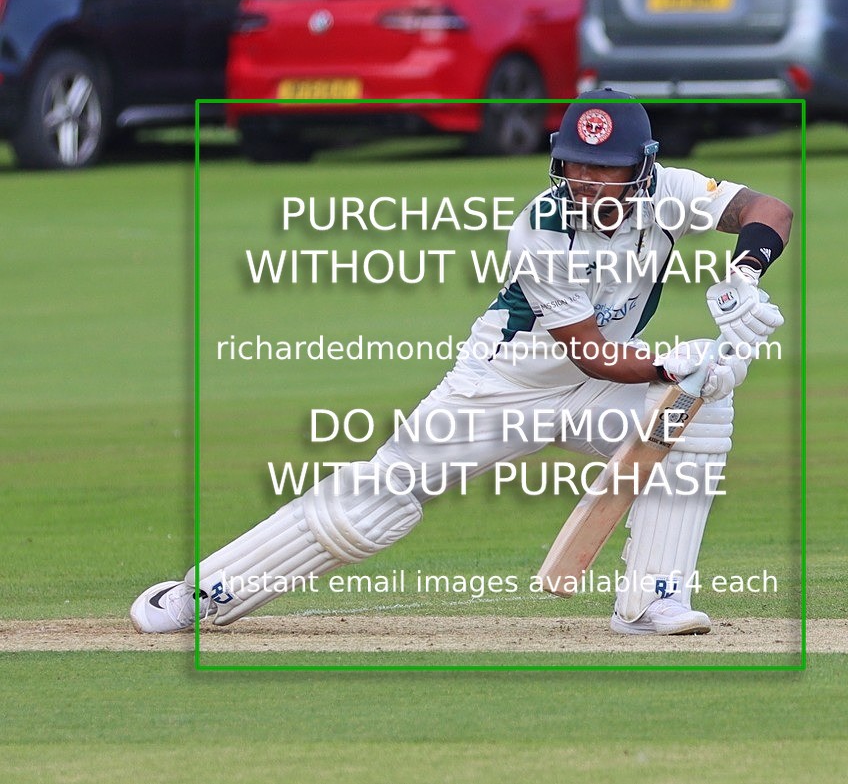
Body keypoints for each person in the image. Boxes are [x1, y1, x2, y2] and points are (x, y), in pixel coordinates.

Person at [131, 90, 792, 636]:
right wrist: (669, 368)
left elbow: (770, 209)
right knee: (377, 500)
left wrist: (744, 273)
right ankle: (207, 590)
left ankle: (654, 601)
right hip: (500, 386)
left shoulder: (672, 193)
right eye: (576, 165)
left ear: (643, 167)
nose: (589, 181)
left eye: (607, 167)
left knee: (700, 416)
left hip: (590, 388)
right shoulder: (542, 227)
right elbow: (592, 354)